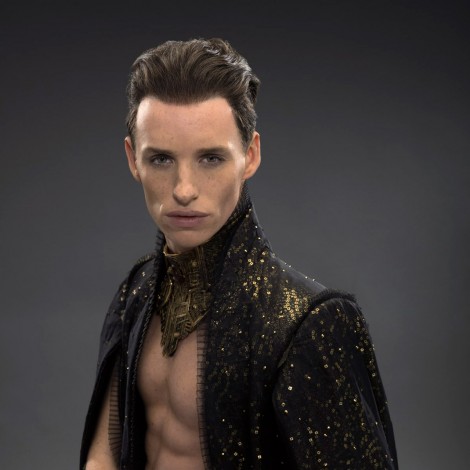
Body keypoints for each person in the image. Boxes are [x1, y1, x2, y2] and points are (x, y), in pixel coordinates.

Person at [80, 38, 398, 469]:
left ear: (250, 156)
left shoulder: (309, 324)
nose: (184, 189)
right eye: (161, 160)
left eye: (210, 158)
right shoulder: (135, 292)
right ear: (133, 159)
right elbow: (102, 458)